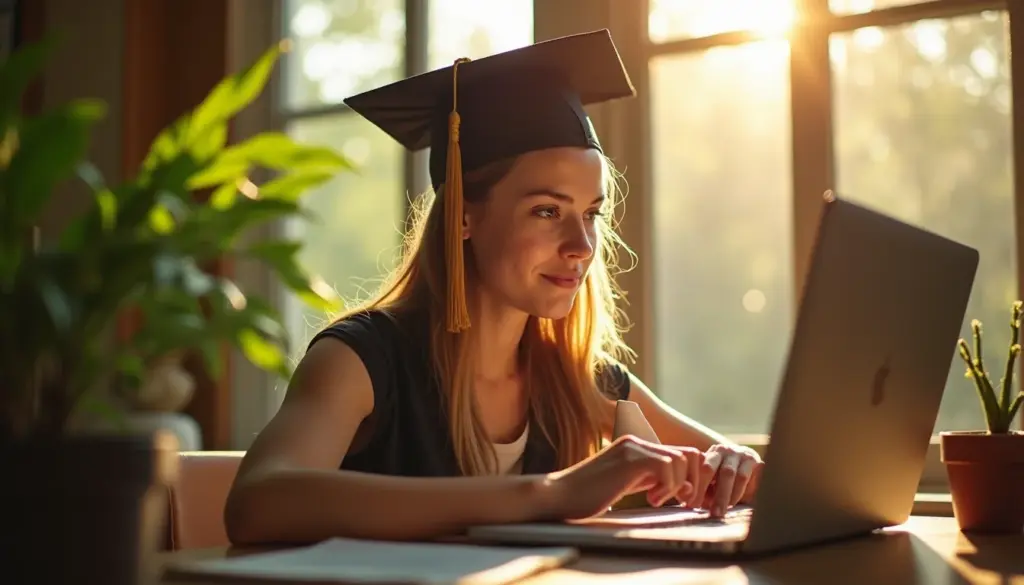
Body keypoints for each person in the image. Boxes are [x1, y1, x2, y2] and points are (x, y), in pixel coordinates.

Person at [224, 29, 763, 545]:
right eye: (547, 210)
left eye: (592, 213)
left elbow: (759, 482)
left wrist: (732, 466)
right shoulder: (362, 359)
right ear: (463, 215)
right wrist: (549, 493)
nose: (581, 246)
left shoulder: (579, 376)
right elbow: (256, 504)